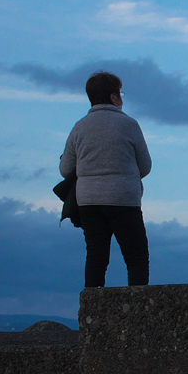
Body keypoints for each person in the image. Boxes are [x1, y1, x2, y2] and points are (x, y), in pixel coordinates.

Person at [58, 71, 152, 288]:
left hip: (89, 200)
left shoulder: (79, 126)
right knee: (136, 256)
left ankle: (93, 309)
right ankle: (139, 311)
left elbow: (65, 170)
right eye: (120, 94)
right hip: (123, 199)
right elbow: (145, 167)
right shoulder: (129, 124)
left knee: (96, 257)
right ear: (113, 97)